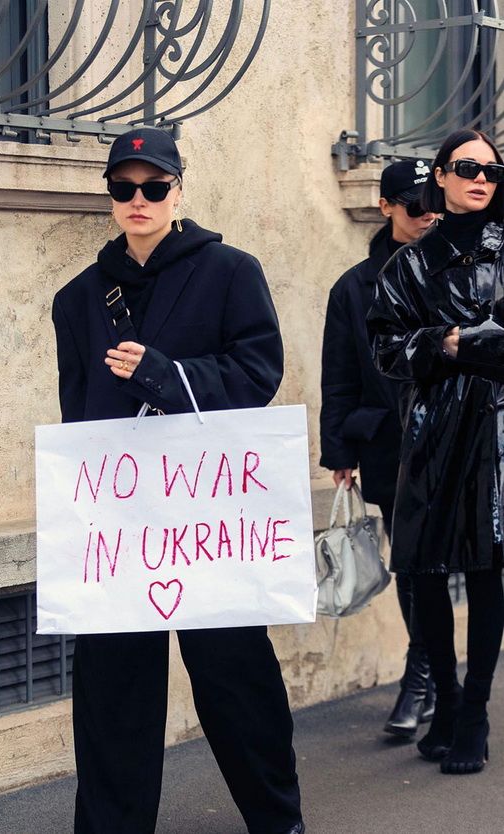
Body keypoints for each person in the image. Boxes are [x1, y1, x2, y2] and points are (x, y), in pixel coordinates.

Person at [51, 127, 305, 833]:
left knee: (235, 680)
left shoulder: (230, 271)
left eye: (154, 186)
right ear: (109, 198)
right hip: (121, 526)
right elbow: (79, 414)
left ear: (178, 192)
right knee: (112, 691)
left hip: (208, 515)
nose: (139, 199)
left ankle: (277, 819)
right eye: (124, 187)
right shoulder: (76, 301)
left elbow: (258, 373)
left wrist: (166, 376)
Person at [367, 128, 504, 775]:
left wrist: (467, 344)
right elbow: (385, 349)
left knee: (486, 570)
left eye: (492, 170)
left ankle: (473, 714)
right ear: (441, 178)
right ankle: (445, 700)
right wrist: (442, 345)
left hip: (499, 430)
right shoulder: (409, 267)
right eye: (468, 167)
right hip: (431, 431)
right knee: (422, 570)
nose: (482, 178)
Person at [320, 160, 438, 738]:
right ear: (387, 206)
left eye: (433, 205)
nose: (428, 216)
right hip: (389, 446)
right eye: (415, 206)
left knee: (451, 558)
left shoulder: (459, 270)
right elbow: (339, 373)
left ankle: (428, 677)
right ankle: (425, 675)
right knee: (411, 561)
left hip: (457, 439)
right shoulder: (353, 287)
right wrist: (339, 449)